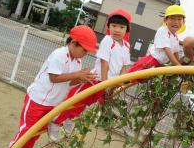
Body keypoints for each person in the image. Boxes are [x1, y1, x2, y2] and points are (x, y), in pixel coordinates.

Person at [6, 25, 97, 148]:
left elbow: (69, 82)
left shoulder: (77, 62)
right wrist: (76, 75)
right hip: (38, 98)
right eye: (84, 50)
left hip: (53, 102)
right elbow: (54, 77)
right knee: (27, 128)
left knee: (39, 129)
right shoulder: (59, 54)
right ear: (74, 43)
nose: (85, 54)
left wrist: (82, 79)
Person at [48, 9, 132, 140]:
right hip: (97, 79)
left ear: (127, 30)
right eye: (114, 26)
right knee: (76, 100)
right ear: (108, 26)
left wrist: (119, 82)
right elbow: (104, 63)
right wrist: (105, 84)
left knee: (85, 103)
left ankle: (69, 118)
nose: (117, 29)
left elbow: (124, 67)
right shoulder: (108, 41)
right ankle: (55, 122)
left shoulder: (126, 45)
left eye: (121, 27)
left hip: (108, 83)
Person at [127, 5, 185, 73]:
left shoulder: (176, 37)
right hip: (151, 60)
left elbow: (175, 52)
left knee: (139, 79)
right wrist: (177, 65)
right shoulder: (163, 30)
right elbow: (167, 49)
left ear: (183, 22)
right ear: (165, 20)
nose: (176, 22)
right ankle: (117, 81)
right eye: (172, 18)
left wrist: (178, 64)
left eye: (179, 19)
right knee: (131, 75)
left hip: (159, 64)